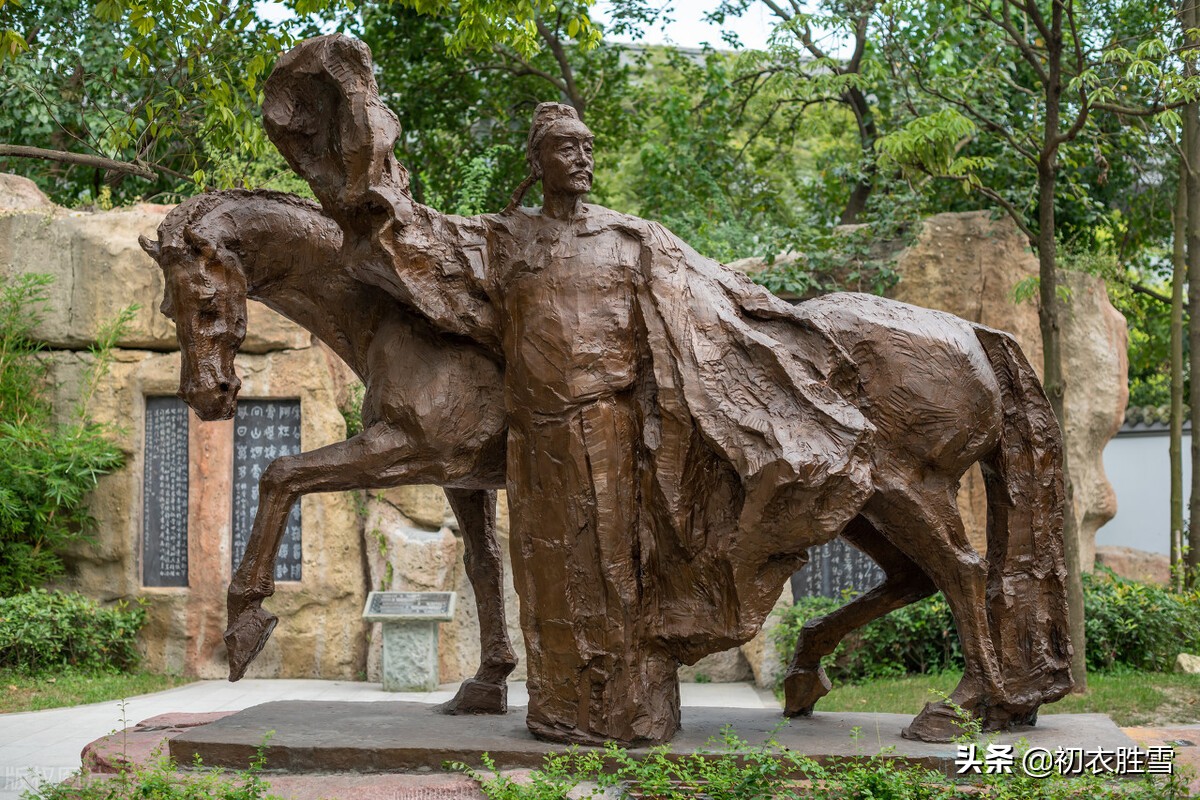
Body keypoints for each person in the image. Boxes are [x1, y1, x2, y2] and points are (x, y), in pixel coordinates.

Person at [264, 36, 875, 745]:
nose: (581, 157)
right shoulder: (503, 240)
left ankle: (630, 713)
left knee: (618, 572)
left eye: (587, 146)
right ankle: (561, 709)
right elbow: (407, 234)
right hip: (537, 435)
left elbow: (713, 313)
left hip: (615, 429)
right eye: (566, 148)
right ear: (538, 162)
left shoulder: (634, 239)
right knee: (549, 572)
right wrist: (360, 114)